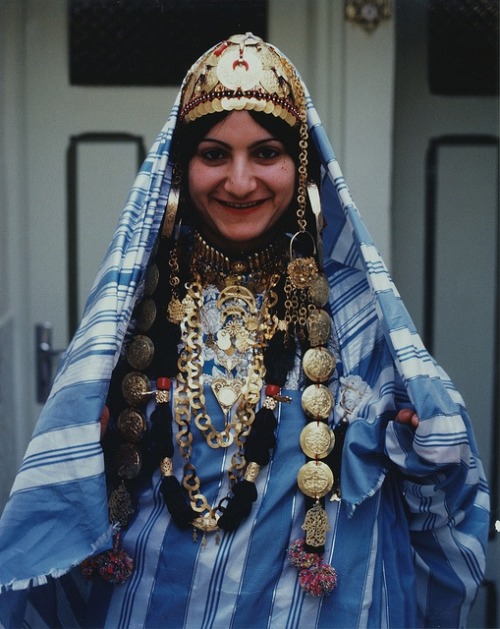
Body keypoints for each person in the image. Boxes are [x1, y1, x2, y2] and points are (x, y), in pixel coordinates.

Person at [0, 33, 489, 628]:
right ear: (184, 164)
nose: (239, 181)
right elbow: (67, 497)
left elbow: (443, 478)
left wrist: (419, 443)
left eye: (265, 154)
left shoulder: (356, 314)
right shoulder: (137, 312)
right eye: (213, 154)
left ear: (300, 164)